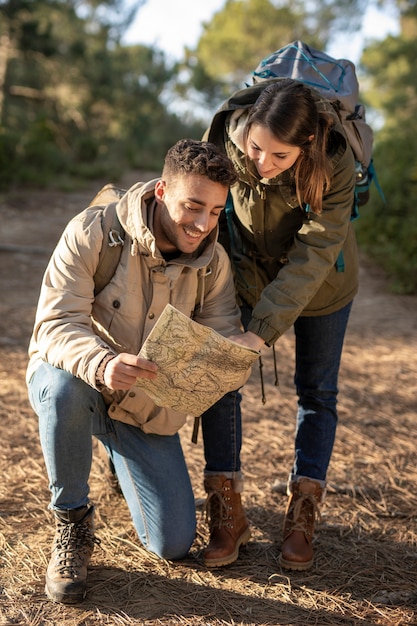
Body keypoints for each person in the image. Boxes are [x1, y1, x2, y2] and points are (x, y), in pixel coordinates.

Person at [26, 138, 253, 605]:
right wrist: (102, 363)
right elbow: (54, 324)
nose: (202, 224)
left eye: (214, 212)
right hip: (81, 381)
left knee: (171, 544)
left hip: (143, 409)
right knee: (63, 388)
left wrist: (235, 351)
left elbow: (220, 341)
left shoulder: (215, 264)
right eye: (192, 206)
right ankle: (71, 521)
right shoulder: (93, 231)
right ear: (162, 190)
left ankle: (115, 453)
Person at [202, 78, 359, 570]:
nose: (261, 164)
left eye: (279, 157)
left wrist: (261, 329)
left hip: (324, 285)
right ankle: (226, 508)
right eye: (255, 149)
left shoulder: (335, 163)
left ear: (307, 145)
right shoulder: (226, 139)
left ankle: (303, 510)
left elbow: (313, 257)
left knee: (317, 392)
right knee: (222, 376)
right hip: (246, 274)